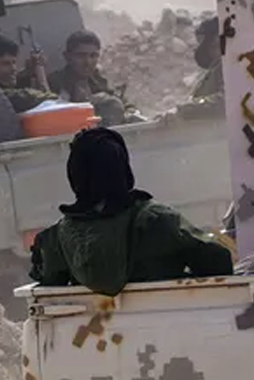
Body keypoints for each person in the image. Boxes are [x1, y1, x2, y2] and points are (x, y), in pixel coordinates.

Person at [28, 127, 235, 296]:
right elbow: (218, 262)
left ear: (74, 174)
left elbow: (48, 286)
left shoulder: (55, 238)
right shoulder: (157, 220)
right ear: (122, 167)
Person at [48, 29, 135, 125]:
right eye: (81, 56)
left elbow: (123, 102)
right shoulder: (54, 83)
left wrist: (131, 112)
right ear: (67, 57)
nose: (88, 62)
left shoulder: (98, 80)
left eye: (93, 56)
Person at [0, 35, 57, 113]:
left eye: (14, 62)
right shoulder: (3, 97)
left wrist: (28, 71)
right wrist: (40, 70)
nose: (14, 68)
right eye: (5, 64)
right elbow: (52, 102)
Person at [185, 15, 224, 103]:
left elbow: (225, 98)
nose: (214, 51)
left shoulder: (231, 68)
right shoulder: (216, 69)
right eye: (213, 47)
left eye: (216, 46)